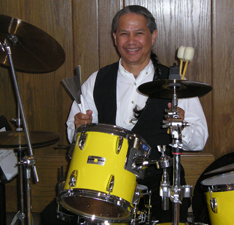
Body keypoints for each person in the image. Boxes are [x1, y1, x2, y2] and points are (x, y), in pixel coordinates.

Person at [45, 5, 208, 224]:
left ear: (153, 36)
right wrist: (79, 127)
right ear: (115, 38)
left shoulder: (174, 83)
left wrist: (181, 126)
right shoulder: (97, 80)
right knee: (52, 216)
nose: (131, 41)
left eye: (139, 33)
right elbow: (74, 136)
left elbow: (199, 141)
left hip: (159, 184)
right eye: (124, 33)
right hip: (102, 182)